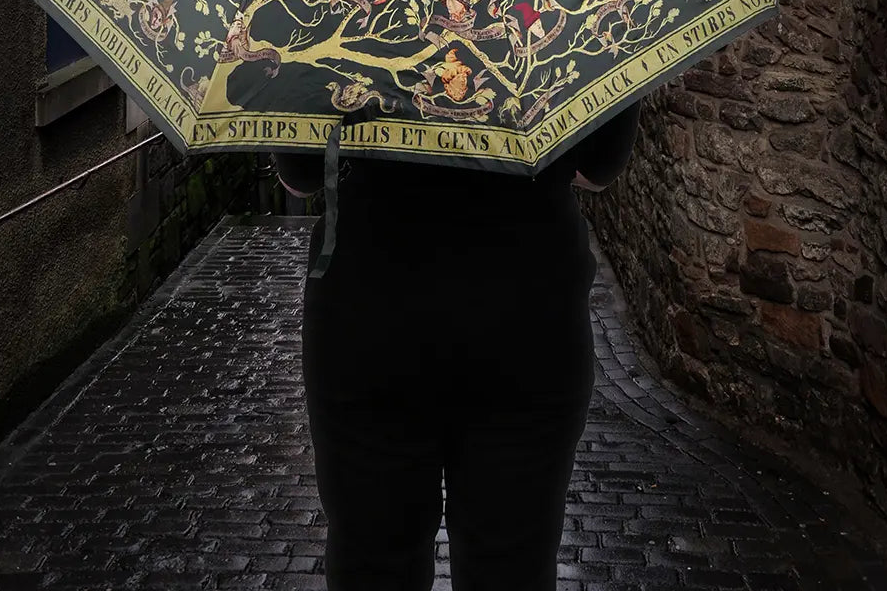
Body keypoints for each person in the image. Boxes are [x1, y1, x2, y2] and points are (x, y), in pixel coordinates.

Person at [272, 100, 642, 591]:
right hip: (527, 316)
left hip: (369, 318)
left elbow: (300, 177)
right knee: (513, 565)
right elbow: (598, 167)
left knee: (372, 562)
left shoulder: (320, 44)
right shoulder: (585, 40)